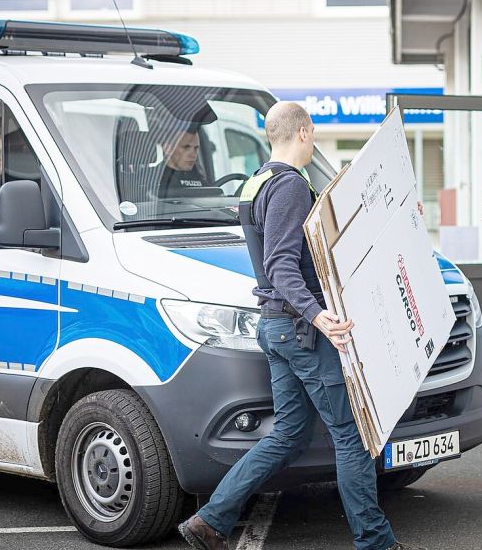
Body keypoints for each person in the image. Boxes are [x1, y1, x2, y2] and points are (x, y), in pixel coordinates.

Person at [177, 102, 423, 550]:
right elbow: (282, 264)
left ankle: (210, 521)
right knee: (350, 435)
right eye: (313, 134)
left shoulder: (257, 183)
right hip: (301, 330)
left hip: (276, 326)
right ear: (304, 132)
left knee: (289, 434)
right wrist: (318, 315)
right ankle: (376, 542)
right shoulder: (290, 186)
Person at [157, 128, 209, 197]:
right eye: (186, 147)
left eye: (196, 148)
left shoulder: (198, 176)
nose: (193, 155)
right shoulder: (154, 178)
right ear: (167, 149)